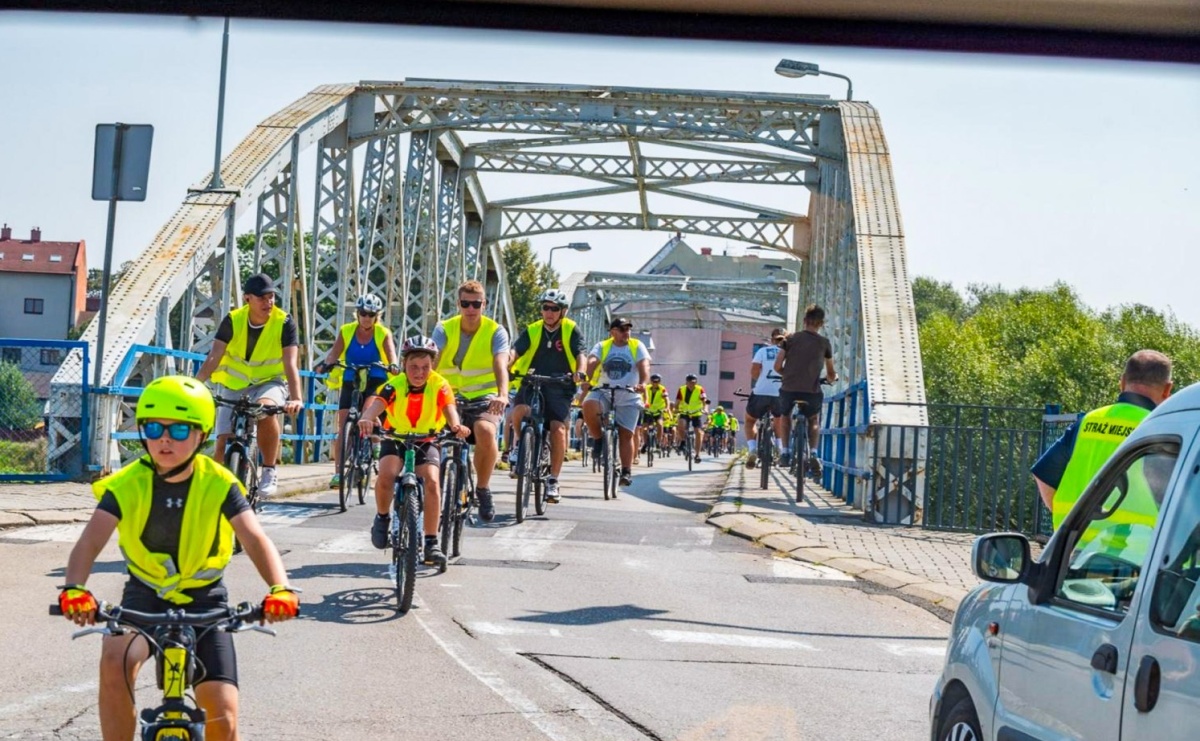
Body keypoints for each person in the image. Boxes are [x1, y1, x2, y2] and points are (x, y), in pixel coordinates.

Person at [57, 376, 299, 741]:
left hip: (206, 602)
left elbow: (254, 538)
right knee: (114, 661)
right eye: (153, 428)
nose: (164, 439)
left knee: (223, 714)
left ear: (201, 435)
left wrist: (281, 589)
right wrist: (74, 589)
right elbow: (89, 542)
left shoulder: (219, 481)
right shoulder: (126, 484)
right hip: (144, 600)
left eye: (179, 430)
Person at [1031, 349, 1173, 532]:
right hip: (1134, 553)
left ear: (1122, 382)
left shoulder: (1088, 421)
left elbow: (1043, 474)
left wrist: (1066, 519)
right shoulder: (1162, 428)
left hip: (1070, 548)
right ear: (1168, 389)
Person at [359, 336, 469, 567]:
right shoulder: (394, 385)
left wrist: (456, 426)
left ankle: (431, 542)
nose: (419, 373)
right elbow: (376, 405)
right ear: (404, 366)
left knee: (431, 482)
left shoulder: (439, 384)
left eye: (425, 367)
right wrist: (366, 418)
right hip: (396, 437)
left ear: (432, 366)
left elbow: (449, 408)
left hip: (427, 440)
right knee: (387, 476)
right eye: (413, 367)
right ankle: (382, 518)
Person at [195, 273, 304, 497]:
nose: (269, 302)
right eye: (262, 298)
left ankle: (269, 470)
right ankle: (216, 495)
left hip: (269, 382)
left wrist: (296, 398)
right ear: (247, 299)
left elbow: (290, 363)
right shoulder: (232, 320)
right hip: (235, 385)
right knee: (222, 443)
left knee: (265, 411)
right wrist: (193, 386)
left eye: (272, 296)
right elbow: (214, 357)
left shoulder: (284, 322)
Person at [432, 280, 510, 522]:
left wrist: (503, 394)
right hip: (447, 396)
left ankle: (483, 488)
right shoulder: (444, 328)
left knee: (485, 430)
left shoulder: (496, 331)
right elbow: (432, 359)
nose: (471, 308)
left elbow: (501, 363)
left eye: (476, 304)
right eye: (465, 303)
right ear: (458, 304)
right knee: (427, 436)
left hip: (484, 397)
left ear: (484, 304)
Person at [508, 288, 588, 504]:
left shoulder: (571, 329)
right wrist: (507, 364)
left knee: (558, 429)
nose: (549, 312)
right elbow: (516, 350)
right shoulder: (533, 329)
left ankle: (553, 480)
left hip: (560, 384)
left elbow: (581, 353)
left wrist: (580, 372)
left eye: (554, 309)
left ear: (563, 311)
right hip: (532, 380)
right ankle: (518, 447)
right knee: (518, 411)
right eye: (545, 308)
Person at [315, 293, 399, 489]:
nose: (366, 317)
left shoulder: (383, 333)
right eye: (363, 313)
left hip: (375, 377)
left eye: (371, 314)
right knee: (344, 424)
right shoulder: (347, 331)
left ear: (376, 316)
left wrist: (394, 365)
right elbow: (334, 354)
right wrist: (326, 365)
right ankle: (338, 474)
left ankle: (376, 441)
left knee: (367, 411)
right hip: (351, 376)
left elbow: (391, 355)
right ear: (357, 314)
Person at [583, 316, 650, 487]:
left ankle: (626, 471)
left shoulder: (636, 346)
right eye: (622, 329)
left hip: (629, 394)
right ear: (612, 332)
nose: (626, 332)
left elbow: (644, 366)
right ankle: (598, 439)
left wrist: (642, 383)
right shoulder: (603, 346)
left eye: (628, 329)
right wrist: (586, 378)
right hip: (604, 391)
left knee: (626, 435)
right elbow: (592, 361)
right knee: (589, 404)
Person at [774, 305, 837, 474]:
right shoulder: (825, 343)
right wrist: (831, 379)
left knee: (785, 416)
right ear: (821, 323)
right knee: (813, 419)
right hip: (812, 391)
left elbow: (777, 365)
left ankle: (785, 452)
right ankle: (814, 454)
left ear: (804, 321)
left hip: (789, 388)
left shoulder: (790, 339)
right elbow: (831, 373)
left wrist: (786, 374)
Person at [745, 327, 787, 469]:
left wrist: (762, 381)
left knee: (750, 420)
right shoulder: (790, 353)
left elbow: (754, 371)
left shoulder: (762, 351)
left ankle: (752, 450)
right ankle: (780, 448)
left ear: (771, 339)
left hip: (761, 392)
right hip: (780, 393)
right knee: (779, 419)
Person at [673, 374, 708, 463]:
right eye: (690, 382)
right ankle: (683, 441)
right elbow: (677, 401)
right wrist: (676, 409)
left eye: (694, 382)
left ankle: (697, 454)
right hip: (685, 412)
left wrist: (705, 409)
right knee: (681, 424)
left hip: (696, 413)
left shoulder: (700, 389)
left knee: (699, 433)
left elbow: (705, 401)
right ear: (686, 382)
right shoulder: (682, 389)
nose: (692, 384)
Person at [640, 373, 669, 456]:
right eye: (653, 381)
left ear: (659, 382)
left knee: (660, 425)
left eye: (657, 381)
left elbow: (666, 398)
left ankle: (658, 443)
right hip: (647, 411)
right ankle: (645, 443)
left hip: (658, 411)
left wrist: (667, 407)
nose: (655, 383)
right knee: (644, 428)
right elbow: (641, 396)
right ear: (651, 381)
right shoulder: (646, 388)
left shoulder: (662, 389)